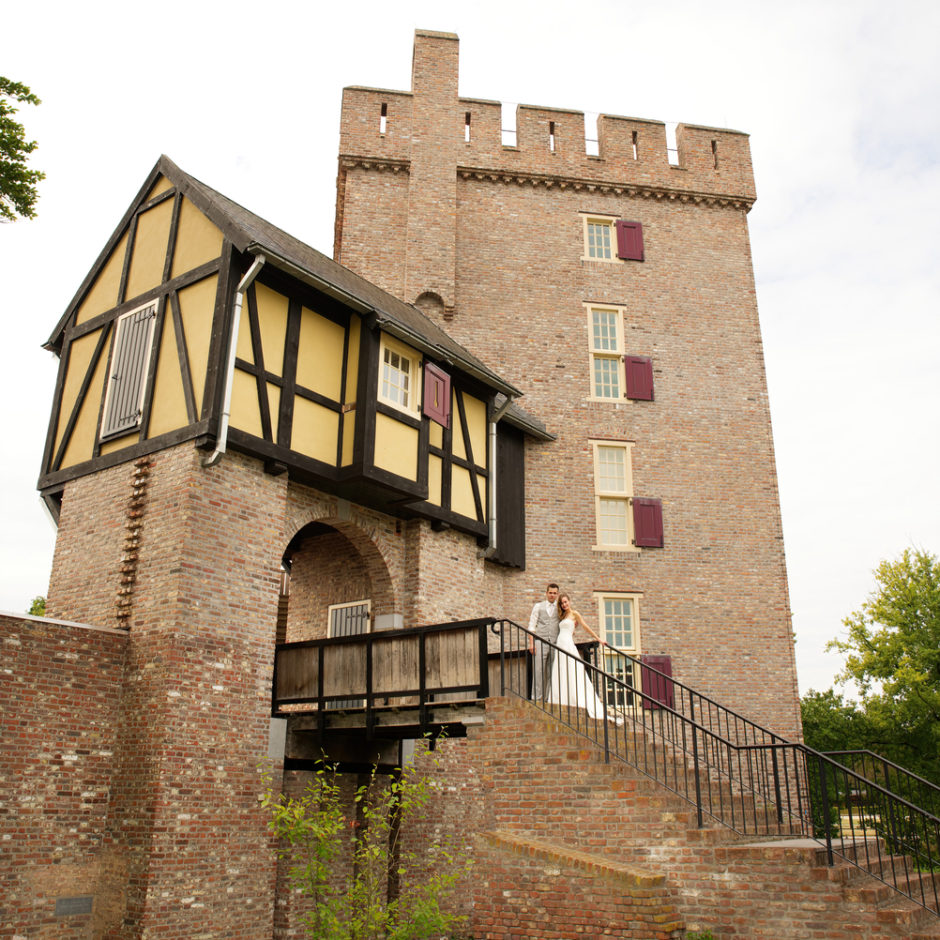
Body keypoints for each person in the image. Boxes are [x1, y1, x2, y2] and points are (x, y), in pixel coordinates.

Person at [548, 593, 622, 724]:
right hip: (560, 642)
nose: (564, 605)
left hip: (567, 643)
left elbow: (585, 626)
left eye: (565, 602)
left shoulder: (574, 614)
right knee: (561, 669)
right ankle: (560, 698)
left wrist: (598, 638)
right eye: (562, 603)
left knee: (572, 668)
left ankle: (576, 698)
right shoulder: (562, 616)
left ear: (569, 601)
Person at [527, 582, 559, 701]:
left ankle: (549, 698)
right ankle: (536, 698)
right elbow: (531, 626)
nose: (552, 595)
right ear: (546, 593)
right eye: (550, 593)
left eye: (554, 593)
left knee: (553, 672)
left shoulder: (560, 608)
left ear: (557, 594)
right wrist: (531, 643)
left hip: (555, 643)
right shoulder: (538, 606)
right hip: (540, 642)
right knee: (538, 671)